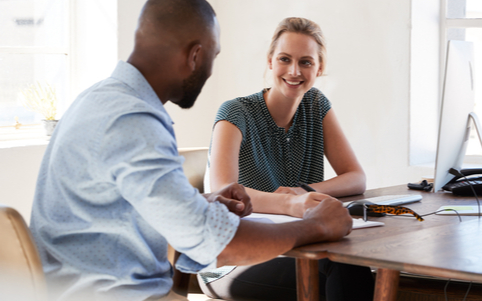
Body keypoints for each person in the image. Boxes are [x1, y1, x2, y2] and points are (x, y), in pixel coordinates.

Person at [28, 2, 353, 301]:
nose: (210, 71)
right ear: (195, 55)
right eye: (214, 56)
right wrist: (316, 225)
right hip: (113, 294)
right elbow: (216, 243)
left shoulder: (102, 99)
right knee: (342, 269)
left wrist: (197, 203)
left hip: (82, 286)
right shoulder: (134, 121)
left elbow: (120, 210)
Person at [203, 17, 374, 301]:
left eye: (306, 62)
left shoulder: (316, 105)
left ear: (319, 69)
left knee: (350, 262)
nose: (294, 71)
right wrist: (291, 203)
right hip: (230, 259)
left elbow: (356, 177)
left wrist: (305, 192)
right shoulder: (235, 113)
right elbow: (223, 192)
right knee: (341, 269)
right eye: (285, 59)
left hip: (296, 244)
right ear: (270, 61)